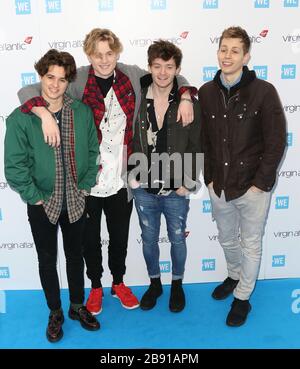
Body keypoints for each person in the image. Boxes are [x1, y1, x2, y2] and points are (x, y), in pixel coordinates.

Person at [17, 28, 195, 315]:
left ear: (117, 53)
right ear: (89, 54)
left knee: (119, 236)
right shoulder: (76, 80)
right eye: (97, 54)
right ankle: (96, 286)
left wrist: (186, 97)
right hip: (86, 179)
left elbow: (175, 78)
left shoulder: (132, 76)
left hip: (123, 178)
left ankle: (119, 282)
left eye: (109, 53)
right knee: (89, 239)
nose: (103, 60)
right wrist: (43, 113)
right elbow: (28, 91)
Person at [4, 49, 100, 343]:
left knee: (75, 257)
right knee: (47, 260)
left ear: (68, 80)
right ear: (41, 76)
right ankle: (55, 312)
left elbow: (93, 151)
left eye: (61, 79)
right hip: (42, 202)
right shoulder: (21, 118)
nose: (55, 85)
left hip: (75, 199)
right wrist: (33, 196)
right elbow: (14, 165)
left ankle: (76, 306)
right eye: (49, 77)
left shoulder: (81, 112)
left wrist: (85, 185)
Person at [198, 26, 286, 326]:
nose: (228, 55)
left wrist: (260, 184)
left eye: (235, 50)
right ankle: (234, 275)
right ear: (217, 51)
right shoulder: (206, 92)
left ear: (246, 55)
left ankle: (243, 297)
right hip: (219, 187)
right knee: (226, 238)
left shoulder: (264, 92)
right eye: (224, 49)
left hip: (252, 188)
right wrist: (209, 179)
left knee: (251, 243)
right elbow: (204, 141)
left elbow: (275, 142)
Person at [129, 40, 201, 313]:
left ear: (177, 69)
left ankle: (177, 285)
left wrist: (189, 182)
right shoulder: (136, 93)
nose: (162, 73)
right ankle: (155, 283)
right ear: (149, 66)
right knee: (148, 239)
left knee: (177, 238)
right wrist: (132, 176)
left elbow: (197, 142)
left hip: (176, 188)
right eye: (157, 66)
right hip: (143, 187)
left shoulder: (188, 100)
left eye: (168, 67)